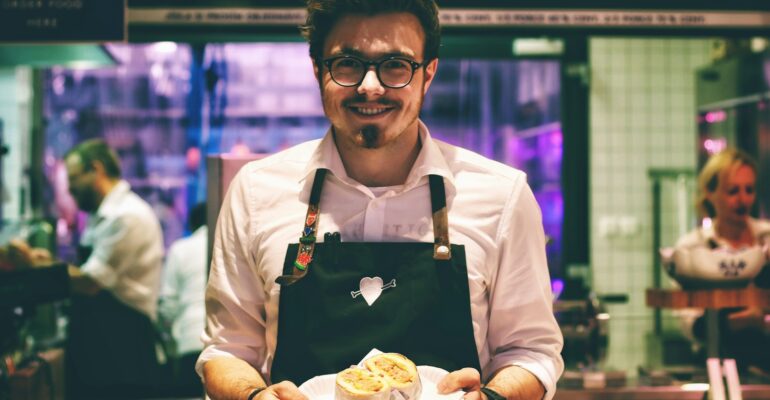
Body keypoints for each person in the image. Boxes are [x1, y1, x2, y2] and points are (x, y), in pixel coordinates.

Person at [197, 1, 564, 399]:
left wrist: (491, 397)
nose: (370, 86)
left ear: (428, 74)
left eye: (395, 65)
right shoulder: (256, 192)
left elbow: (531, 352)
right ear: (318, 70)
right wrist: (254, 396)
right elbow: (227, 350)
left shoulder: (501, 196)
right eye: (348, 63)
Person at [63, 139, 166, 399]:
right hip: (104, 350)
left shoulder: (126, 215)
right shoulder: (103, 216)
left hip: (123, 351)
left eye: (73, 178)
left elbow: (90, 282)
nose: (69, 188)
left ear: (96, 170)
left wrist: (37, 270)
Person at [673, 148, 770, 371]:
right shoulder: (692, 248)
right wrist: (747, 319)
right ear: (710, 192)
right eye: (733, 191)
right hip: (715, 363)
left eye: (749, 190)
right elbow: (691, 326)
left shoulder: (766, 238)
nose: (742, 199)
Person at [159, 202, 208, 397]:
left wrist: (170, 344)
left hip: (189, 341)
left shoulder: (181, 249)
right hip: (230, 350)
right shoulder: (234, 244)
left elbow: (167, 306)